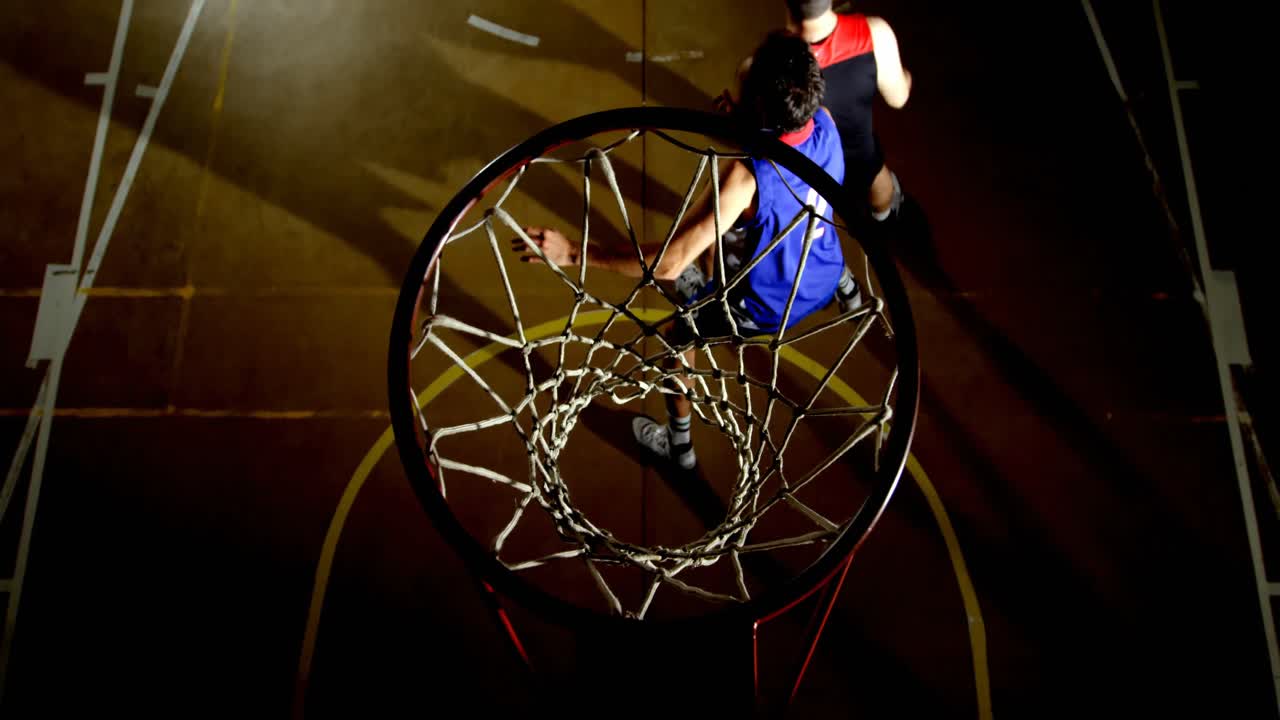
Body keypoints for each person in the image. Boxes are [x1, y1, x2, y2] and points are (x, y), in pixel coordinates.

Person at [512, 31, 845, 469]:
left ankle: (679, 446)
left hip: (771, 303)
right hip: (824, 266)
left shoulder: (743, 181)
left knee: (676, 337)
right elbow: (784, 160)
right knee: (771, 229)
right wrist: (746, 124)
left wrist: (574, 253)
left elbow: (668, 264)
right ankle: (848, 287)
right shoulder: (824, 120)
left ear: (758, 109)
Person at [785, 0, 914, 311]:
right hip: (861, 160)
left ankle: (842, 283)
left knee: (815, 230)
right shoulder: (874, 34)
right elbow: (899, 97)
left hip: (811, 180)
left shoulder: (770, 63)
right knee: (878, 185)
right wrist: (903, 74)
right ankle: (882, 227)